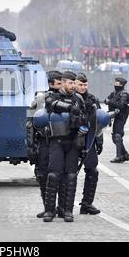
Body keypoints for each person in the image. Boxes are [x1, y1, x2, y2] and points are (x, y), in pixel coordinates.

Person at [43, 71, 88, 223]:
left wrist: (82, 138)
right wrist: (69, 108)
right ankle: (50, 210)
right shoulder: (52, 95)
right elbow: (52, 105)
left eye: (74, 83)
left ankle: (67, 210)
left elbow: (85, 120)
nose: (73, 86)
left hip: (73, 142)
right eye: (70, 83)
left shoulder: (79, 99)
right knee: (54, 175)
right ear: (62, 83)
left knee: (71, 176)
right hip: (57, 141)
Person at [27, 71, 62, 219]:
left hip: (59, 141)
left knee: (58, 175)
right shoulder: (40, 99)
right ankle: (48, 206)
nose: (61, 85)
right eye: (58, 83)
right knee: (41, 175)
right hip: (43, 141)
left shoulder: (66, 98)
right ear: (51, 83)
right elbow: (30, 124)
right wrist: (31, 146)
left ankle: (61, 207)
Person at [75, 73, 103, 215]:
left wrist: (99, 140)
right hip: (73, 140)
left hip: (89, 140)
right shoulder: (71, 98)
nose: (83, 87)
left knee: (92, 170)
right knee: (68, 173)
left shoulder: (93, 99)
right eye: (80, 84)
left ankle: (87, 203)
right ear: (75, 84)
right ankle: (63, 205)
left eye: (85, 85)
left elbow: (99, 121)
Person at [105, 78, 129, 163]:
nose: (116, 85)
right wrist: (109, 101)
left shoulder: (124, 93)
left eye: (118, 83)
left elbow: (121, 105)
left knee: (117, 136)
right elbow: (107, 99)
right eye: (115, 83)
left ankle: (119, 156)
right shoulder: (114, 93)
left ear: (122, 84)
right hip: (116, 116)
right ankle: (125, 155)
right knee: (115, 137)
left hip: (121, 117)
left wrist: (110, 102)